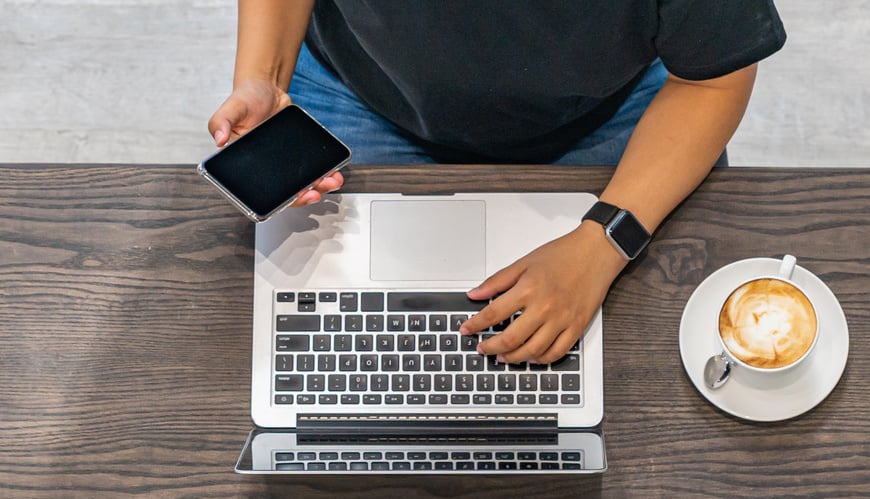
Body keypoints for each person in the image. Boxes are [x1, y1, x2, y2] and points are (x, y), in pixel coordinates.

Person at [208, 1, 786, 365]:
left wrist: (607, 237)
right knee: (322, 341)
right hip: (365, 89)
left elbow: (714, 81)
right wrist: (263, 77)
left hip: (607, 111)